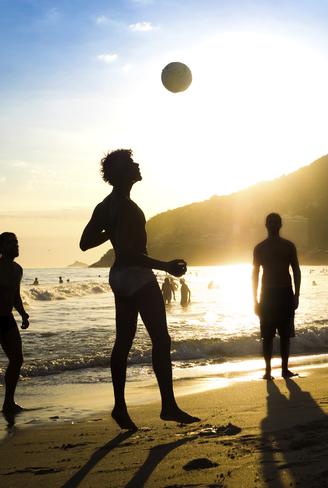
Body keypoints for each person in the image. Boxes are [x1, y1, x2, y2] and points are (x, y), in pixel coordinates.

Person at [80, 149, 198, 430]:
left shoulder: (106, 205)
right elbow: (131, 253)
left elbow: (85, 242)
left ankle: (120, 408)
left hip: (118, 277)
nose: (137, 165)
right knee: (161, 339)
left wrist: (109, 230)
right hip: (136, 274)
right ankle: (168, 405)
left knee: (123, 341)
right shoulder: (126, 207)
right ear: (121, 172)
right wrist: (166, 266)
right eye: (131, 163)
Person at [252, 213, 301, 380]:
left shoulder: (289, 246)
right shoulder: (260, 248)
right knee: (267, 335)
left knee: (285, 335)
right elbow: (255, 274)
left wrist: (297, 295)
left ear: (280, 225)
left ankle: (285, 369)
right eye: (270, 222)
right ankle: (267, 371)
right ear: (266, 225)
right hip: (267, 294)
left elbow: (296, 270)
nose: (272, 225)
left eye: (275, 222)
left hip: (285, 292)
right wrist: (254, 300)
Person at [0, 233, 29, 419]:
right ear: (2, 247)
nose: (16, 245)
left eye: (17, 242)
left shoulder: (18, 269)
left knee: (17, 359)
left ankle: (8, 402)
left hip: (6, 318)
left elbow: (15, 296)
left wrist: (23, 314)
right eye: (11, 243)